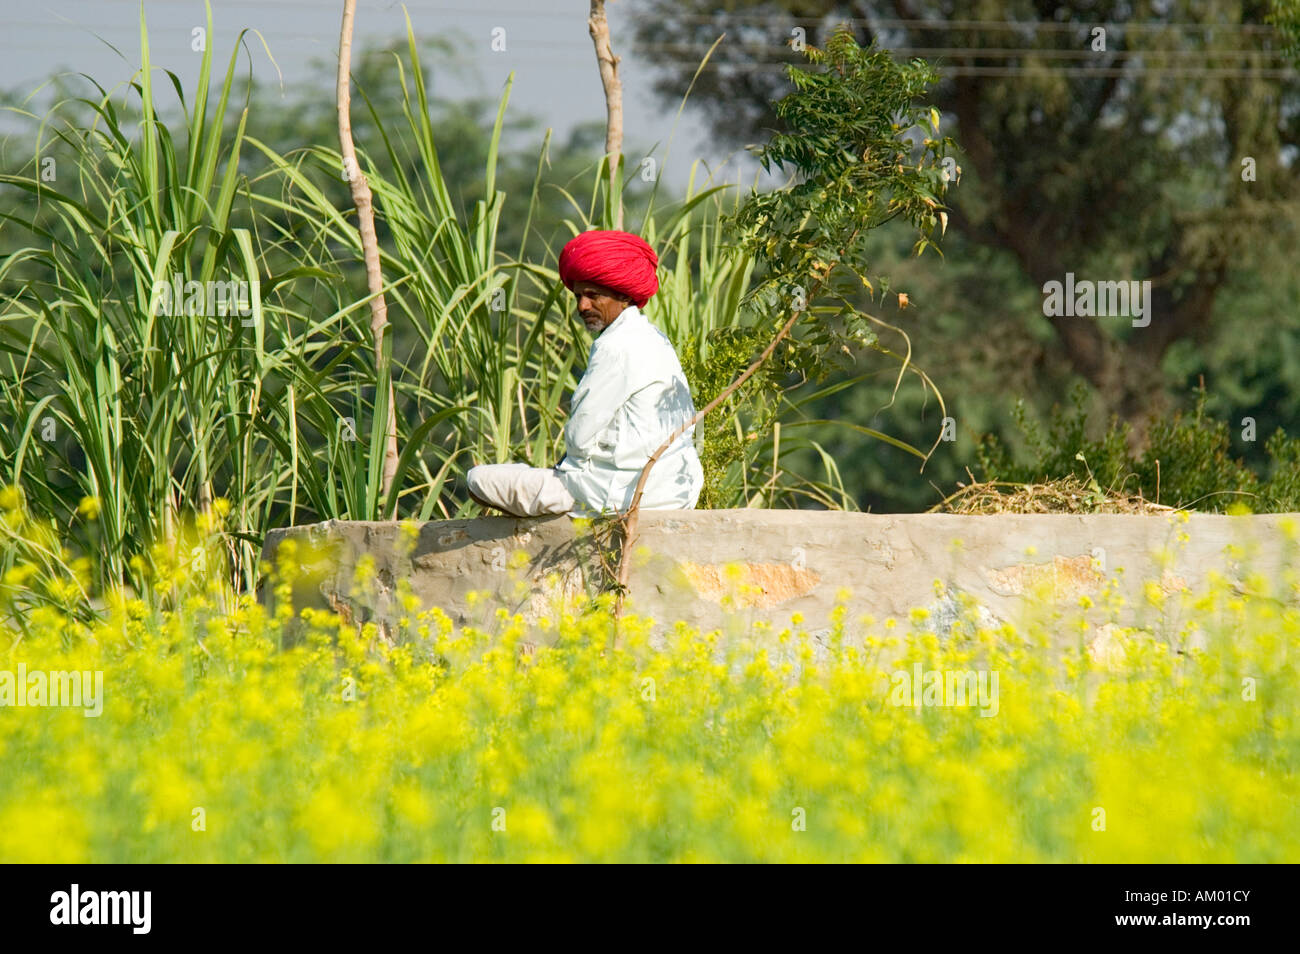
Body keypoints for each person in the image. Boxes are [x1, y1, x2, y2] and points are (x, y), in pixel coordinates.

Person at [466, 229, 704, 518]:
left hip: (613, 494)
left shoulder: (615, 347)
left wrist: (564, 470)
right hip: (677, 491)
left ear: (622, 295)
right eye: (578, 296)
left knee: (477, 480)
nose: (582, 306)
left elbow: (579, 438)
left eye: (593, 296)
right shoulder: (654, 337)